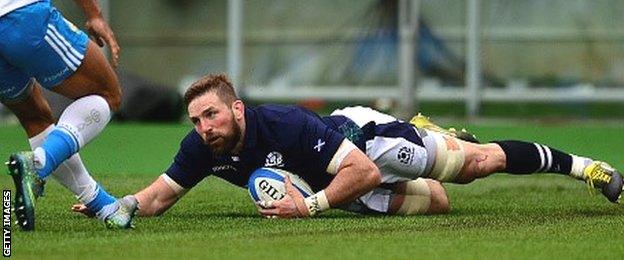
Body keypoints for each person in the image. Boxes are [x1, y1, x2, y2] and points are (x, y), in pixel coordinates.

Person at [74, 73, 623, 219]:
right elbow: (158, 196)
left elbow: (358, 167)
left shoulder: (285, 123)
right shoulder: (203, 147)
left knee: (478, 165)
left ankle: (587, 168)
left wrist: (307, 205)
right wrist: (108, 204)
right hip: (339, 176)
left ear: (237, 109)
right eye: (196, 119)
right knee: (439, 204)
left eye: (212, 114)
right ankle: (437, 141)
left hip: (365, 144)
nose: (204, 126)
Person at [1, 0, 137, 230]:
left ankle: (107, 208)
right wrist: (94, 15)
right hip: (21, 16)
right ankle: (38, 166)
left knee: (35, 117)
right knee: (108, 93)